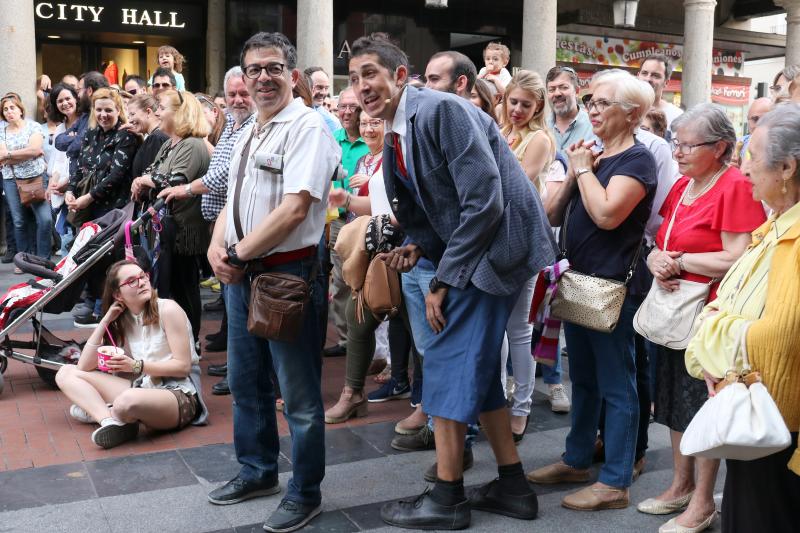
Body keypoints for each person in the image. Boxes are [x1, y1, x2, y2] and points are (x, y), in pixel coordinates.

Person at [349, 33, 556, 530]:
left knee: (442, 361)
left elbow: (484, 202)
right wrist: (421, 242)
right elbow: (434, 200)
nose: (362, 87)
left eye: (371, 74)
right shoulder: (401, 123)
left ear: (401, 76)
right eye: (356, 78)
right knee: (477, 372)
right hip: (473, 249)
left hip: (494, 253)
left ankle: (447, 498)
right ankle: (513, 487)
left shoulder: (440, 111)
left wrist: (442, 276)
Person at [205, 32, 339, 533]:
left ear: (293, 76)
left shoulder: (308, 126)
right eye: (254, 69)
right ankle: (257, 471)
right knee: (245, 383)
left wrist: (237, 253)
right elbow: (230, 203)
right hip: (241, 277)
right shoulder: (246, 131)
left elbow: (295, 209)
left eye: (273, 68)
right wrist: (219, 247)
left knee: (299, 396)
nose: (263, 77)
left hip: (287, 275)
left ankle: (305, 491)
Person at [527, 70, 657, 511]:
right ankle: (578, 458)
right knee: (582, 378)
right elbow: (550, 212)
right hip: (578, 279)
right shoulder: (595, 157)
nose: (593, 109)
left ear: (633, 114)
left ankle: (616, 481)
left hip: (612, 288)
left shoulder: (638, 161)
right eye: (591, 101)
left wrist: (583, 170)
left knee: (617, 385)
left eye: (603, 103)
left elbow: (606, 215)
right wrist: (576, 169)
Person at [635, 104, 766, 533]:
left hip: (707, 315)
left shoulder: (732, 186)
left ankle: (704, 500)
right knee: (674, 400)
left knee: (702, 404)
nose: (678, 152)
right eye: (677, 142)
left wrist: (680, 260)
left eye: (688, 144)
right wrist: (657, 258)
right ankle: (681, 485)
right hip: (675, 312)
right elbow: (660, 239)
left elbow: (740, 255)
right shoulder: (684, 186)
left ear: (721, 147)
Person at [684, 104, 800, 533]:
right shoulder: (774, 227)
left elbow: (779, 337)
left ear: (787, 167)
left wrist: (722, 356)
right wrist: (721, 339)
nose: (742, 165)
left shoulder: (794, 236)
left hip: (779, 424)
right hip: (760, 410)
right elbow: (724, 304)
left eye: (753, 154)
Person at [158, 66, 256, 396]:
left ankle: (242, 372)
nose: (239, 99)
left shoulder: (253, 126)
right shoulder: (232, 126)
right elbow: (217, 170)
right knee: (233, 305)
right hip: (221, 229)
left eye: (244, 93)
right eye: (232, 95)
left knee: (240, 307)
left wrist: (185, 190)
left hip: (240, 231)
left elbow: (225, 176)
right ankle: (235, 364)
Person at [54, 260, 207, 449]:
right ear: (118, 294)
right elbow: (84, 367)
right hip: (145, 387)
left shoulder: (168, 309)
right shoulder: (124, 317)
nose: (142, 282)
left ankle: (110, 411)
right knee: (66, 372)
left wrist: (135, 366)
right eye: (132, 281)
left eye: (143, 276)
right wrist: (105, 320)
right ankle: (109, 421)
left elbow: (183, 367)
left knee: (126, 401)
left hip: (179, 394)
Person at [500, 69, 571, 420]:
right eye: (513, 101)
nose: (517, 109)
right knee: (496, 329)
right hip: (496, 238)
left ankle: (522, 406)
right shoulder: (501, 131)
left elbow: (518, 182)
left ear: (538, 106)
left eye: (525, 104)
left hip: (524, 237)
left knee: (520, 329)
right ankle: (499, 398)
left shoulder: (540, 139)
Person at [130, 90, 210, 345]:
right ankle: (176, 341)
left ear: (180, 112)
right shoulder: (169, 142)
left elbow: (173, 183)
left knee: (184, 289)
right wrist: (143, 180)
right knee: (169, 288)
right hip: (164, 232)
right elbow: (153, 173)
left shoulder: (192, 145)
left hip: (184, 233)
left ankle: (190, 342)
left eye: (162, 107)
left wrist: (144, 180)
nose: (157, 112)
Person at [66, 87, 138, 327]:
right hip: (89, 207)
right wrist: (70, 191)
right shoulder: (90, 134)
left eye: (109, 109)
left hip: (113, 208)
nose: (104, 114)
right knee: (89, 256)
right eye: (99, 110)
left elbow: (117, 175)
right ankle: (92, 301)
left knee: (108, 258)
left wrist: (89, 197)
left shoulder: (125, 136)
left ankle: (104, 308)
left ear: (119, 110)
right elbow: (80, 168)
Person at [325, 87, 369, 358]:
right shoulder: (331, 139)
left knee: (368, 283)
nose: (347, 111)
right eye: (342, 106)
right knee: (340, 283)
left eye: (353, 106)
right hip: (337, 222)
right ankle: (346, 339)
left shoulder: (373, 137)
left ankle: (370, 346)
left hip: (367, 220)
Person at [0, 94, 53, 261]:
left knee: (45, 219)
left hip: (35, 178)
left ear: (20, 109)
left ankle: (43, 259)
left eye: (12, 108)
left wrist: (9, 155)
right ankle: (24, 260)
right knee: (19, 221)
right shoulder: (2, 131)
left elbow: (35, 149)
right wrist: (26, 153)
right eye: (5, 109)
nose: (9, 112)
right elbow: (1, 156)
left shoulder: (34, 126)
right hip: (11, 180)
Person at [47, 83, 81, 255]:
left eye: (68, 98)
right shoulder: (60, 128)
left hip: (79, 185)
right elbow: (57, 161)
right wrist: (52, 184)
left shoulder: (85, 123)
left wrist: (67, 184)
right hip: (60, 188)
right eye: (60, 101)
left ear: (76, 98)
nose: (65, 103)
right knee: (66, 237)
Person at [55, 71, 108, 180]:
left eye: (79, 90)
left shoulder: (104, 118)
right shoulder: (84, 117)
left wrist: (79, 140)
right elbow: (59, 141)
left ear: (89, 91)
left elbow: (74, 150)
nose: (78, 95)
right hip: (77, 182)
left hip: (94, 183)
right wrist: (78, 137)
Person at [545, 66, 596, 152]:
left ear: (576, 91)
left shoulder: (594, 126)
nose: (557, 93)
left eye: (563, 87)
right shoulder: (542, 127)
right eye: (551, 89)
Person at [126, 93, 169, 181]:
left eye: (133, 114)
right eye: (129, 116)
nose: (130, 120)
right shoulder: (154, 137)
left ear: (148, 112)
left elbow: (149, 177)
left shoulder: (156, 138)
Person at [637, 53, 683, 128]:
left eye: (655, 75)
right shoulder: (624, 109)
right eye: (644, 73)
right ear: (638, 76)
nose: (648, 79)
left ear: (666, 82)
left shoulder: (677, 116)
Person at [733, 97, 771, 167]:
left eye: (765, 120)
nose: (759, 125)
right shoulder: (737, 144)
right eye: (755, 119)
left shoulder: (781, 151)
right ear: (748, 120)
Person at [304, 67, 340, 133]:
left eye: (326, 88)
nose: (323, 93)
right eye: (319, 87)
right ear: (305, 86)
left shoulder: (332, 122)